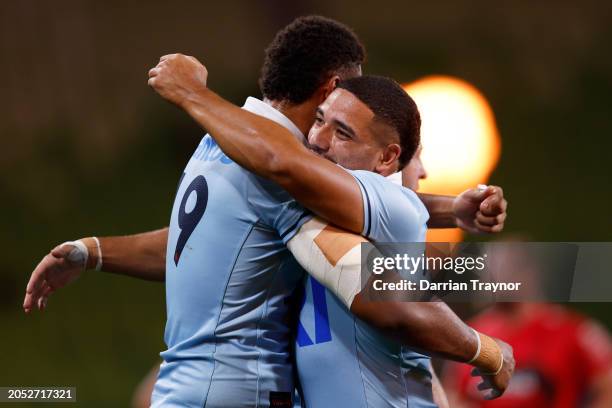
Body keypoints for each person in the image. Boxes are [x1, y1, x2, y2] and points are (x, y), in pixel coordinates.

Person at [25, 16, 510, 407]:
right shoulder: (280, 173)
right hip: (244, 392)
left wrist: (93, 250)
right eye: (343, 105)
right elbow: (381, 297)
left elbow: (190, 241)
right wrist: (484, 349)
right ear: (331, 88)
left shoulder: (217, 144)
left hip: (180, 390)